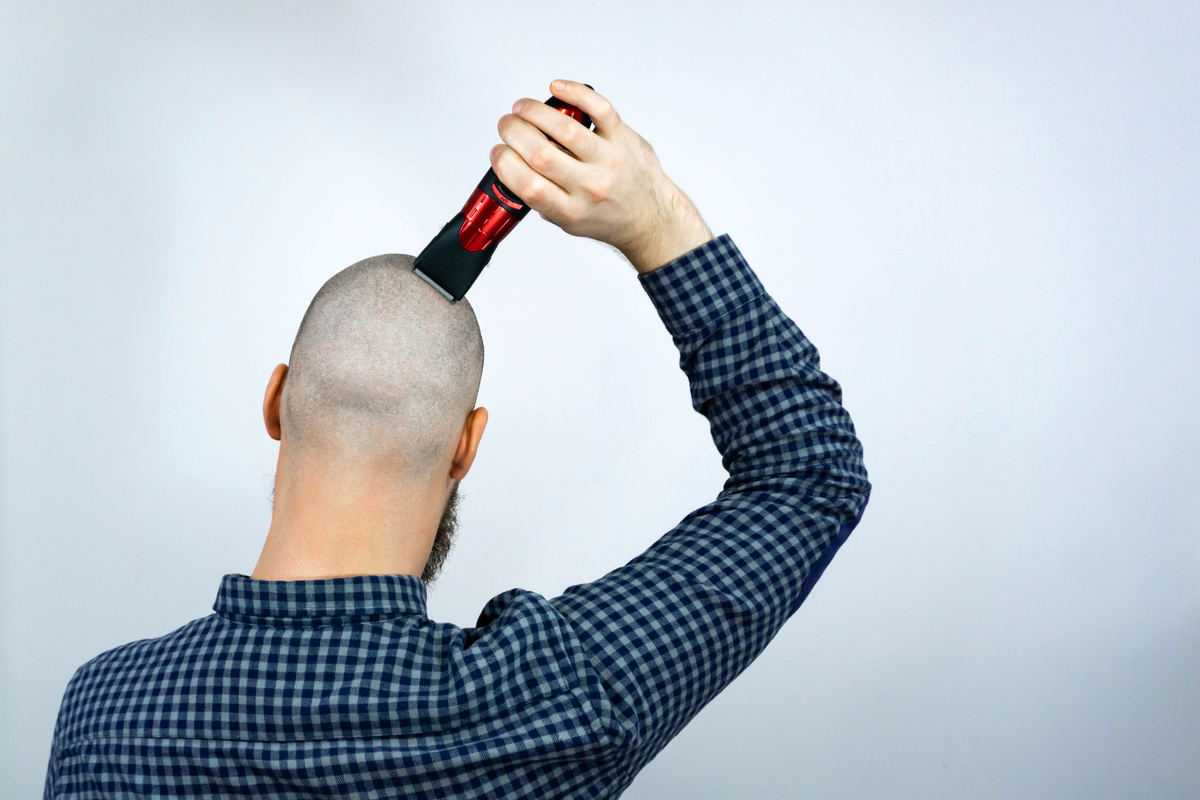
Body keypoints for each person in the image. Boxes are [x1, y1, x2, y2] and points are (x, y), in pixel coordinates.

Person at [44, 80, 870, 799]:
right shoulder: (547, 704)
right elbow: (808, 476)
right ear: (466, 445)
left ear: (277, 401)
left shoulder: (100, 718)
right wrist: (654, 223)